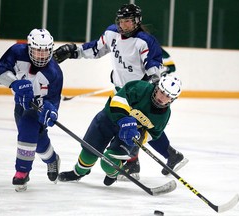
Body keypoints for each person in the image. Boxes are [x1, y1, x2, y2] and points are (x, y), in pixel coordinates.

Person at [53, 3, 186, 180]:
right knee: (125, 125)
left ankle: (137, 162)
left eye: (128, 22)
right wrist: (73, 51)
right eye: (122, 21)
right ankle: (156, 158)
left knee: (141, 126)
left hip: (140, 95)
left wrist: (154, 81)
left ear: (137, 22)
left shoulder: (145, 41)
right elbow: (95, 49)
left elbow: (153, 64)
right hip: (121, 91)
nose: (124, 25)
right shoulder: (111, 33)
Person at [58, 74, 182, 186]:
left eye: (168, 96)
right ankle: (78, 172)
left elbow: (153, 134)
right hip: (109, 118)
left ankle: (112, 175)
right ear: (157, 87)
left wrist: (139, 137)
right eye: (161, 92)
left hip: (128, 134)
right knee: (89, 154)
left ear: (172, 100)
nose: (162, 98)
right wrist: (124, 119)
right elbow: (118, 99)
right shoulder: (141, 88)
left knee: (108, 163)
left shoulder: (163, 116)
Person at [0, 28, 63, 192]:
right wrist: (14, 83)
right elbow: (0, 70)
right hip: (21, 103)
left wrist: (50, 110)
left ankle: (22, 172)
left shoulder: (55, 72)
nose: (41, 56)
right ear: (29, 47)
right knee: (36, 140)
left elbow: (53, 99)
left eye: (46, 51)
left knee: (27, 128)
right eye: (37, 51)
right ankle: (52, 159)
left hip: (36, 107)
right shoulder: (17, 51)